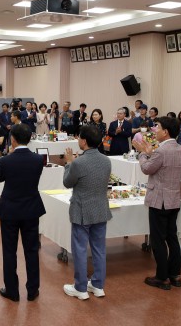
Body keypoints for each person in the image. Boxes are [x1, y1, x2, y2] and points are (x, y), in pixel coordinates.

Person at [0, 123, 45, 302]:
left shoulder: (6, 160)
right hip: (31, 208)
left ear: (13, 140)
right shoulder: (38, 160)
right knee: (31, 250)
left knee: (9, 251)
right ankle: (32, 290)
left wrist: (8, 155)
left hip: (10, 210)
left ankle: (12, 291)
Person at [133, 116, 181, 290]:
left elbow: (147, 168)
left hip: (159, 199)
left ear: (166, 132)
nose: (155, 130)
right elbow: (163, 166)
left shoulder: (161, 150)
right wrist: (150, 153)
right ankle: (175, 275)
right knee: (172, 237)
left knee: (157, 240)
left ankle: (162, 277)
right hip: (173, 198)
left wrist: (142, 153)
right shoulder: (179, 148)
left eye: (158, 127)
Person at [62, 126, 111, 300]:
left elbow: (67, 182)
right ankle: (98, 285)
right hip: (100, 208)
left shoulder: (79, 163)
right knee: (99, 249)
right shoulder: (106, 160)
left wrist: (69, 163)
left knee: (80, 249)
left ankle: (80, 287)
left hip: (82, 210)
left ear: (83, 141)